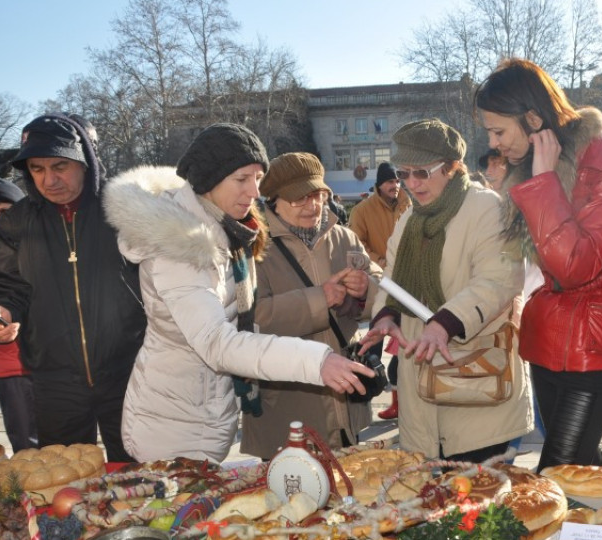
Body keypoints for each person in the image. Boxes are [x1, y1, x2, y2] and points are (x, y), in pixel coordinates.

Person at [103, 124, 375, 463]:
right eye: (242, 179)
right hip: (172, 421)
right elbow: (220, 342)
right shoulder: (182, 247)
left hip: (202, 409)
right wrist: (316, 361)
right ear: (209, 180)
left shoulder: (227, 231)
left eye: (258, 178)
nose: (254, 191)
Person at [474, 58, 602, 471]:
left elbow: (574, 267)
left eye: (499, 130)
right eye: (489, 132)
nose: (494, 143)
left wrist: (544, 181)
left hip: (593, 348)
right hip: (546, 343)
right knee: (579, 472)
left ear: (533, 118)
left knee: (557, 471)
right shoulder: (529, 169)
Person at [359, 118, 531, 462]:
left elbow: (500, 279)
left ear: (453, 168)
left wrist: (445, 322)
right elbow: (393, 276)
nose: (411, 183)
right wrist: (386, 315)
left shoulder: (487, 207)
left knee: (481, 510)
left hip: (477, 386)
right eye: (404, 173)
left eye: (422, 172)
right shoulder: (410, 218)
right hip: (421, 394)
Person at [0, 114, 146, 462]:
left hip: (130, 372)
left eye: (60, 166)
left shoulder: (123, 210)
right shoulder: (16, 222)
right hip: (53, 379)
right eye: (37, 169)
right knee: (66, 481)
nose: (49, 179)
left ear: (86, 161)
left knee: (140, 473)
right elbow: (0, 282)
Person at [240, 152, 383, 456]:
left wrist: (365, 290)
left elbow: (381, 293)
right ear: (273, 200)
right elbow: (250, 320)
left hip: (345, 407)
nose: (313, 206)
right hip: (286, 407)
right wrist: (321, 299)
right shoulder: (254, 248)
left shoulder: (344, 237)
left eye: (318, 195)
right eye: (299, 198)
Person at [348, 161, 411, 420]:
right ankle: (367, 389)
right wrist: (381, 262)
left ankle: (399, 395)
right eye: (389, 182)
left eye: (397, 181)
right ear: (378, 185)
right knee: (374, 340)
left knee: (403, 342)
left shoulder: (410, 204)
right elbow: (355, 243)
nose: (394, 186)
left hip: (407, 282)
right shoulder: (363, 210)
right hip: (378, 283)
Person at [0, 178, 38, 453]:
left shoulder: (45, 242)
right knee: (27, 446)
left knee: (66, 443)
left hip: (56, 362)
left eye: (4, 211)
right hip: (10, 365)